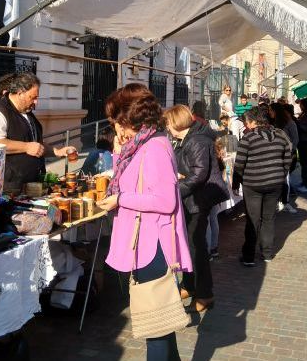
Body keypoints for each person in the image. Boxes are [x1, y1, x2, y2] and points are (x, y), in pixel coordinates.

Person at [97, 84, 191, 360]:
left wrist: (121, 199)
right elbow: (128, 178)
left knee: (156, 328)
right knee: (160, 322)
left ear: (131, 118)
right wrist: (117, 151)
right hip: (143, 244)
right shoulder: (139, 145)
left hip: (153, 247)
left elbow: (165, 202)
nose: (115, 126)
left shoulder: (155, 147)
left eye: (117, 120)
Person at [164, 104, 228, 313]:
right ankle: (190, 285)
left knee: (197, 248)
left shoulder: (197, 140)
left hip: (197, 201)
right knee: (189, 246)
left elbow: (199, 175)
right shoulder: (188, 138)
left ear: (175, 123)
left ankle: (205, 294)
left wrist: (176, 189)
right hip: (192, 199)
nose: (166, 127)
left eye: (168, 123)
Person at [0, 72, 74, 192]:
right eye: (33, 97)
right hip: (7, 189)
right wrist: (26, 147)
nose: (36, 102)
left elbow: (35, 144)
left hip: (30, 186)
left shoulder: (27, 113)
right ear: (20, 93)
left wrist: (57, 152)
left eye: (37, 98)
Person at [234, 107, 292, 265]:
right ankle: (267, 253)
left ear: (254, 122)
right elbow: (288, 159)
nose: (246, 125)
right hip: (274, 184)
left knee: (253, 220)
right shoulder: (280, 136)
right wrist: (280, 174)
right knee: (268, 219)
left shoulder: (248, 138)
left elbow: (239, 164)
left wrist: (237, 182)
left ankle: (249, 257)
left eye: (247, 122)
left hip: (253, 184)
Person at [270, 102, 298, 214]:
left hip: (286, 156)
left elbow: (295, 140)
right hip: (274, 156)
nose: (269, 112)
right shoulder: (271, 123)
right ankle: (276, 202)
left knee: (285, 179)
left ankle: (285, 202)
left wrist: (290, 153)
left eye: (271, 110)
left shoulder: (290, 123)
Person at [205, 138, 228, 260]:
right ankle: (214, 248)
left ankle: (209, 250)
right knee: (213, 219)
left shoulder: (209, 158)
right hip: (216, 192)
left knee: (208, 221)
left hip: (208, 192)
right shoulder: (219, 159)